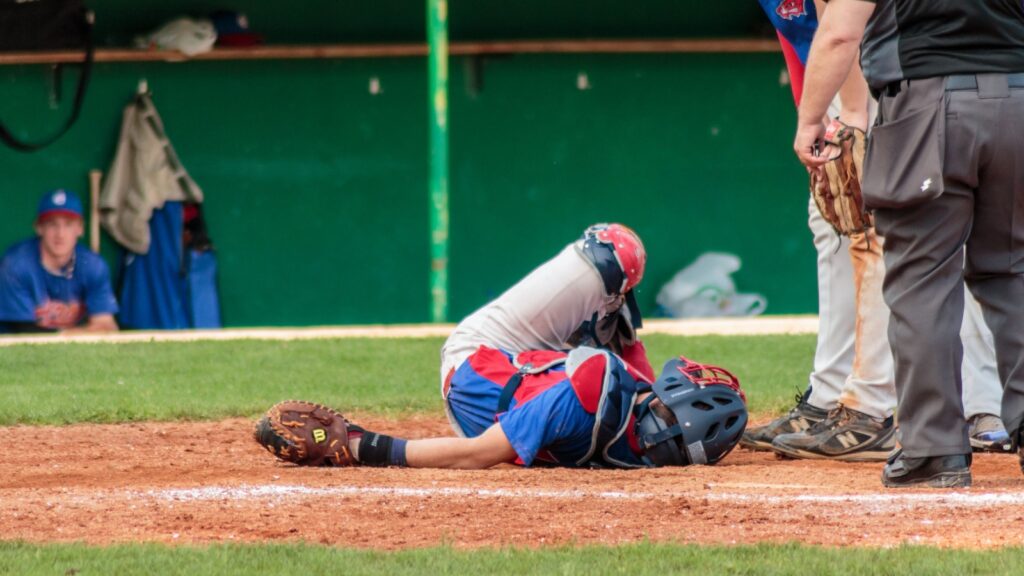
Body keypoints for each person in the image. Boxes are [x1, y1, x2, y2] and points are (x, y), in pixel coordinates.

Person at [744, 0, 1010, 462]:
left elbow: (842, 28)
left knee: (923, 240)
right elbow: (806, 39)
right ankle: (832, 397)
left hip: (898, 77)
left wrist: (849, 115)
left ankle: (892, 408)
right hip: (869, 74)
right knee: (837, 227)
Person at [256, 224, 748, 469]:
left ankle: (608, 298)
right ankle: (606, 311)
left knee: (612, 251)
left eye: (671, 394)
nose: (664, 388)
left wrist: (366, 445)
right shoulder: (635, 450)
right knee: (609, 343)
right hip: (524, 387)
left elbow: (477, 453)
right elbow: (639, 383)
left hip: (474, 361)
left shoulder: (595, 383)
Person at [0, 190, 119, 333]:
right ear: (39, 227)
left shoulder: (93, 265)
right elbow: (22, 332)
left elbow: (106, 326)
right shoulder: (15, 264)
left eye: (68, 224)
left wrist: (70, 336)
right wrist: (71, 336)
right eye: (52, 224)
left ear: (80, 228)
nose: (60, 234)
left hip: (72, 347)